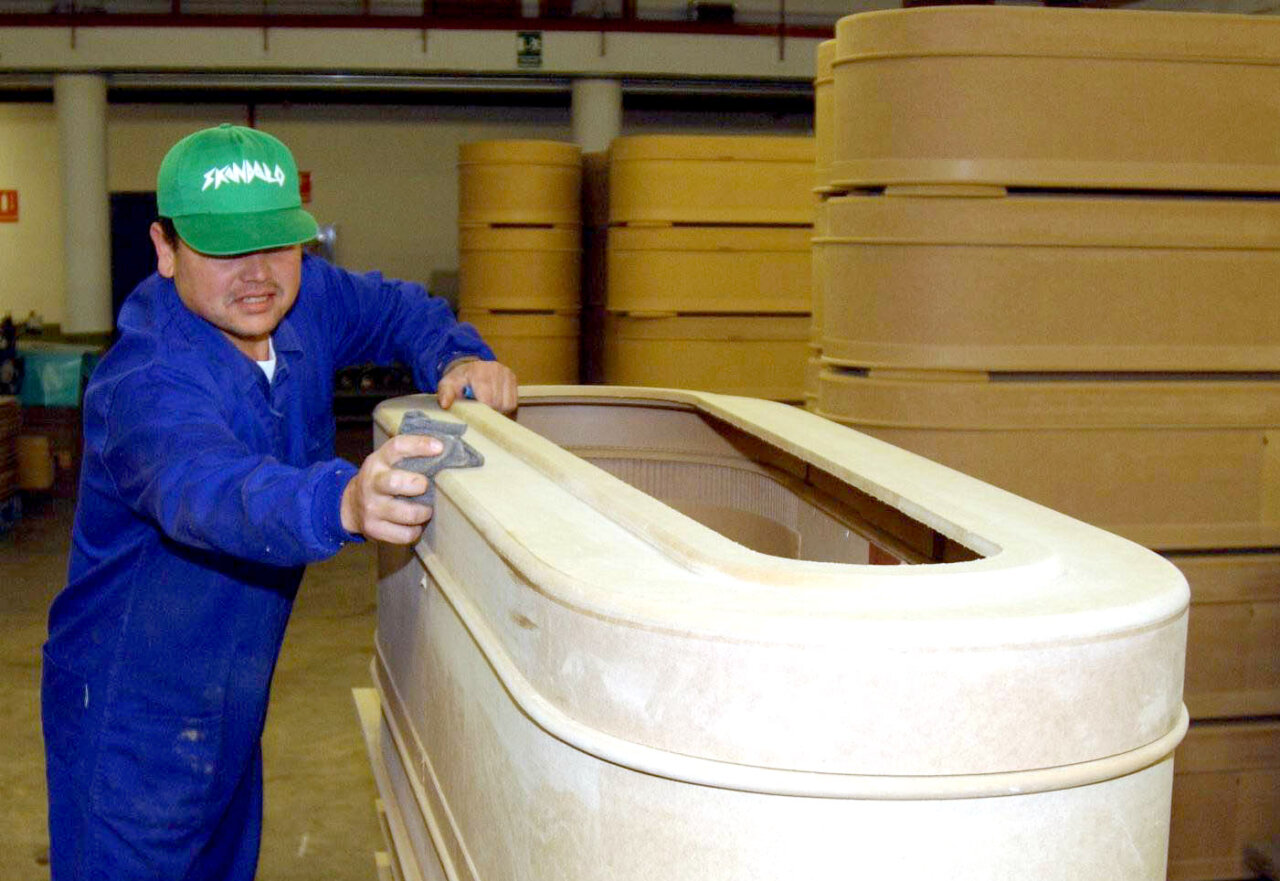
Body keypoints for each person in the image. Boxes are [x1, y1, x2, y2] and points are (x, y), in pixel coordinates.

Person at [41, 123, 518, 879]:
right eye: (225, 249)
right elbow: (211, 488)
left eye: (277, 244)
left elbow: (400, 309)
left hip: (233, 694)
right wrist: (344, 500)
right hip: (133, 716)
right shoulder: (142, 382)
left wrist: (457, 352)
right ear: (164, 249)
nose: (258, 273)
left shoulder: (304, 301)